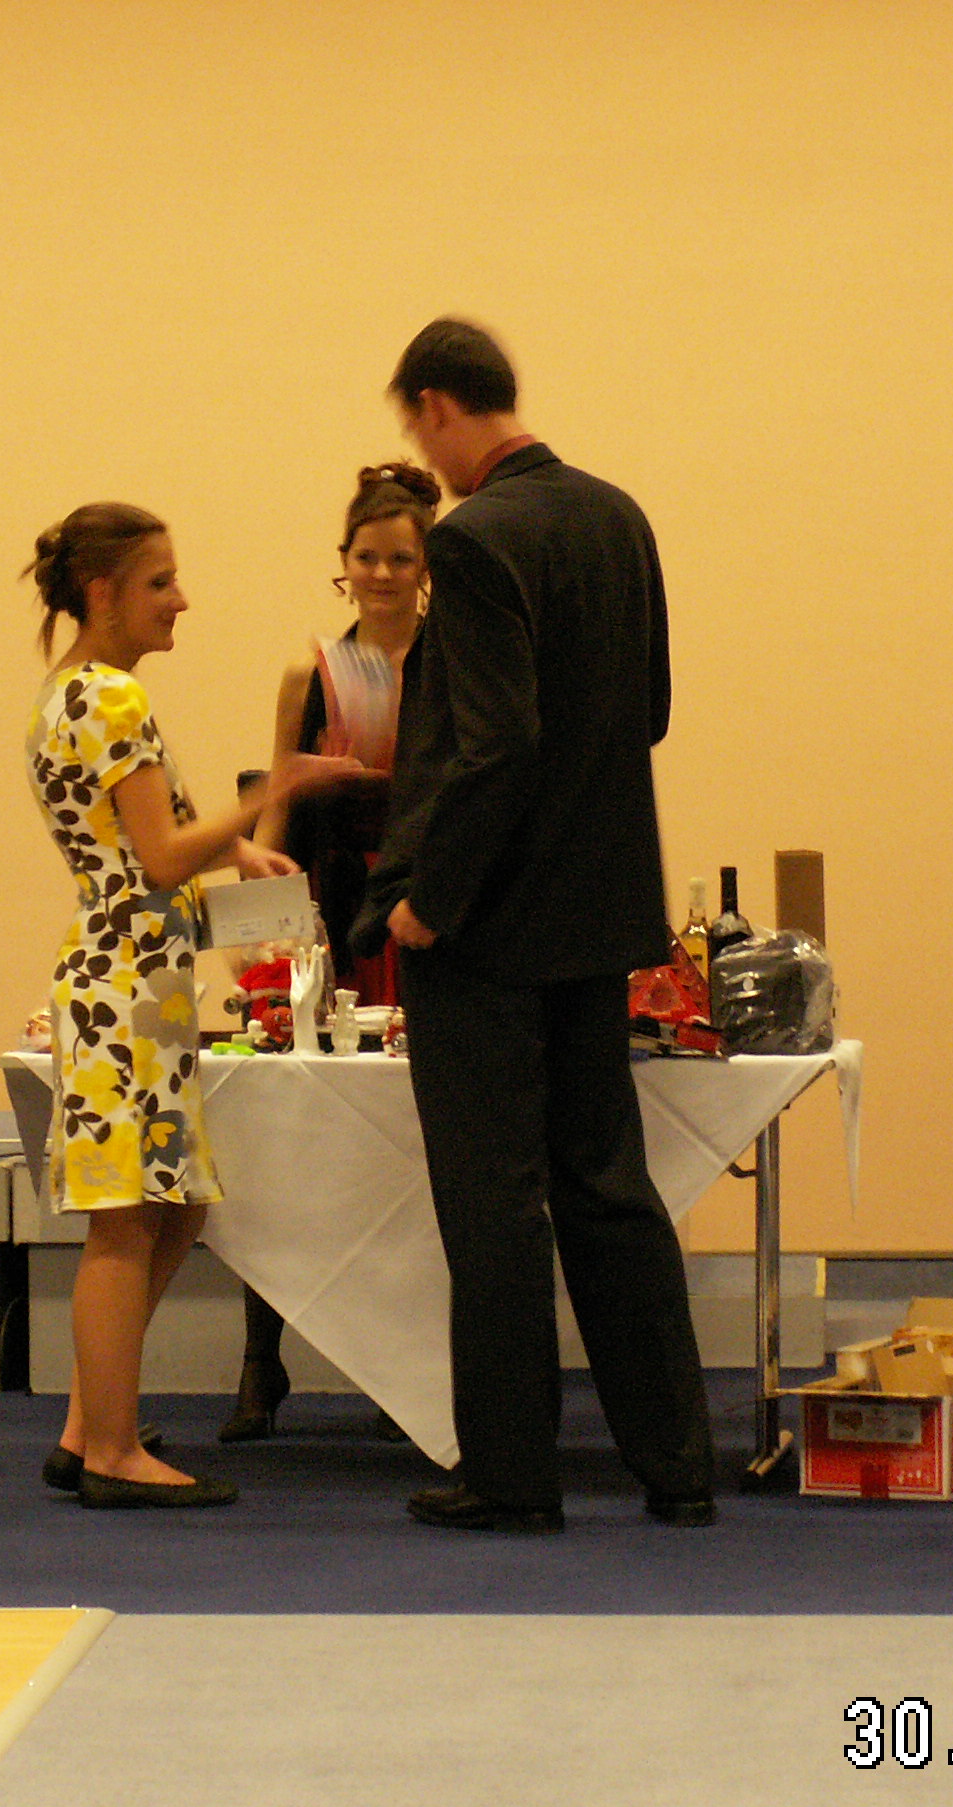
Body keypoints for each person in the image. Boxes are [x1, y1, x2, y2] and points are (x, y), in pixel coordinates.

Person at [351, 319, 717, 1533]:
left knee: (494, 1204)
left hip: (492, 928)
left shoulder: (476, 540)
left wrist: (428, 901)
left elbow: (493, 745)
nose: (426, 457)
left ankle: (512, 1477)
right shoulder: (618, 518)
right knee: (610, 1186)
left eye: (419, 430)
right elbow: (649, 710)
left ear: (438, 406)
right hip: (599, 914)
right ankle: (676, 1464)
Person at [23, 502, 361, 1509]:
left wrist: (237, 848)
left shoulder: (69, 693)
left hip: (133, 976)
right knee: (126, 1223)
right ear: (103, 593)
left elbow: (143, 852)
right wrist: (272, 791)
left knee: (175, 1206)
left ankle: (90, 1427)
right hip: (125, 987)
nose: (180, 600)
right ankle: (110, 1449)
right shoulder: (113, 697)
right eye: (160, 582)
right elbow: (163, 856)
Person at [218, 460, 440, 1444]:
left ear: (427, 568)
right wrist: (255, 926)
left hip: (422, 917)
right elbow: (275, 805)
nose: (381, 575)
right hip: (328, 916)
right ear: (341, 564)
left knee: (412, 1154)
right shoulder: (308, 672)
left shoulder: (457, 661)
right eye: (366, 557)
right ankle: (261, 1359)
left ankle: (406, 1371)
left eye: (401, 559)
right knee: (290, 1145)